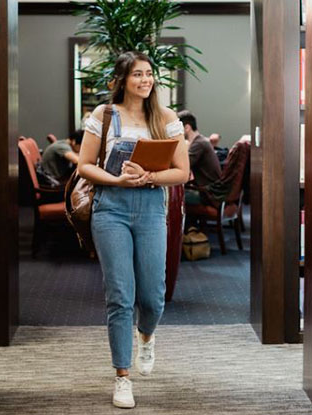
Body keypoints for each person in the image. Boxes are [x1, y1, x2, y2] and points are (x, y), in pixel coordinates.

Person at [77, 51, 189, 409]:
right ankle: (122, 376)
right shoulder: (104, 116)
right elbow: (84, 166)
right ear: (123, 79)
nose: (146, 80)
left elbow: (182, 173)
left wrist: (149, 176)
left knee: (153, 296)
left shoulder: (166, 118)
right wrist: (117, 180)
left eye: (149, 74)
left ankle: (147, 336)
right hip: (110, 209)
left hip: (153, 209)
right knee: (120, 295)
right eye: (138, 74)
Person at [178, 110, 221, 187]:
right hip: (210, 190)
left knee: (172, 196)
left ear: (187, 128)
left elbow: (182, 166)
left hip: (207, 193)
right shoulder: (201, 141)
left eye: (178, 129)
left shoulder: (199, 144)